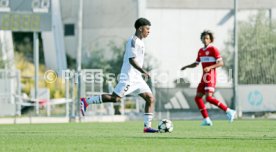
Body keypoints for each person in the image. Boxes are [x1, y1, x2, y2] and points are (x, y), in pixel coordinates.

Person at [80, 18, 158, 133]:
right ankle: (86, 101)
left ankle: (147, 127)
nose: (149, 31)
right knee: (115, 98)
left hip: (137, 78)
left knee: (150, 98)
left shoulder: (141, 42)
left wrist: (141, 73)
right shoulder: (132, 41)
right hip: (129, 77)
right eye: (147, 29)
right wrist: (143, 71)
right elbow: (131, 60)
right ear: (140, 28)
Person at [180, 30, 236, 126]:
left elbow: (221, 63)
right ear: (201, 39)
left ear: (210, 40)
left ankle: (229, 111)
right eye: (204, 38)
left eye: (207, 38)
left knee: (209, 98)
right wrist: (186, 66)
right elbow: (196, 63)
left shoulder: (213, 50)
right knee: (198, 98)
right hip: (204, 77)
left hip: (211, 76)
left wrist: (210, 67)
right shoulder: (201, 51)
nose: (205, 40)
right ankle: (207, 119)